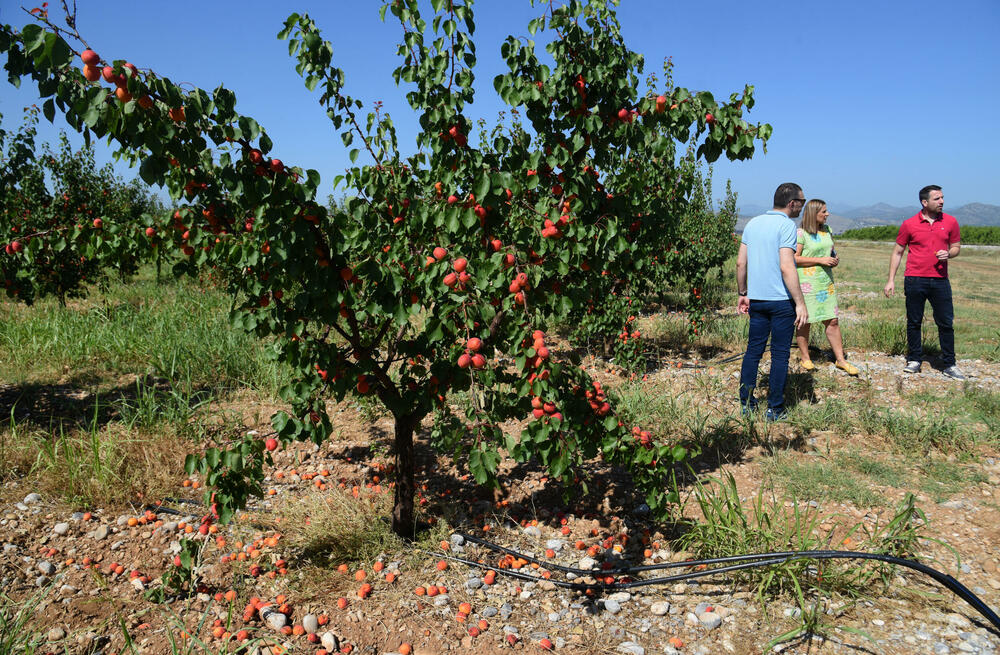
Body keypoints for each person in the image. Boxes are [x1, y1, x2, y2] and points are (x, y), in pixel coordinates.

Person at [737, 183, 810, 421]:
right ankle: (775, 408)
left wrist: (742, 292)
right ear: (792, 203)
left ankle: (747, 403)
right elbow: (787, 266)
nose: (803, 205)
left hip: (757, 299)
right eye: (802, 201)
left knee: (753, 352)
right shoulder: (787, 226)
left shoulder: (753, 223)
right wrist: (799, 302)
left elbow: (740, 263)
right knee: (780, 355)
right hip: (780, 302)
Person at [883, 185, 964, 380]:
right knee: (914, 321)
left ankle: (949, 364)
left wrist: (949, 254)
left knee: (945, 322)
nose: (942, 201)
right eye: (937, 198)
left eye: (942, 198)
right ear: (924, 202)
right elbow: (898, 252)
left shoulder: (951, 222)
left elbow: (956, 247)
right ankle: (914, 359)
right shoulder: (909, 224)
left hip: (940, 281)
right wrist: (890, 280)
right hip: (915, 279)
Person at [794, 199, 859, 375]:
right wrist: (819, 260)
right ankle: (805, 358)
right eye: (824, 211)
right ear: (813, 214)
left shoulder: (827, 231)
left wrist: (834, 260)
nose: (827, 214)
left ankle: (841, 360)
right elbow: (794, 258)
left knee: (832, 320)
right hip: (807, 283)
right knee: (804, 321)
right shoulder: (801, 234)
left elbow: (830, 253)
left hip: (825, 282)